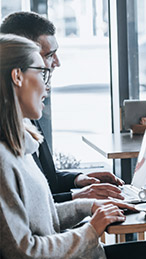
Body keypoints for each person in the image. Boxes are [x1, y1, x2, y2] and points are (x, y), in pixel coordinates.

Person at [0, 34, 146, 259]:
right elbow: (24, 255)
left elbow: (44, 220)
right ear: (17, 76)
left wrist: (90, 207)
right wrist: (91, 230)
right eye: (42, 73)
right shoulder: (4, 162)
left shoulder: (20, 148)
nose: (47, 86)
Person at [0, 11, 124, 202]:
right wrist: (79, 199)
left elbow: (45, 181)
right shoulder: (7, 137)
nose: (57, 63)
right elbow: (30, 211)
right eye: (48, 56)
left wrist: (79, 180)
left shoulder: (24, 111)